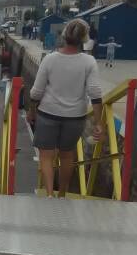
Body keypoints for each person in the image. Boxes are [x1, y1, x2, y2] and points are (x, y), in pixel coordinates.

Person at [28, 18, 103, 198]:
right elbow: (95, 93)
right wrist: (98, 123)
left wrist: (31, 112)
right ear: (84, 38)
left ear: (64, 35)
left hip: (48, 114)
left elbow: (36, 92)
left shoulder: (50, 59)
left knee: (46, 156)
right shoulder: (89, 62)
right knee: (67, 155)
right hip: (75, 118)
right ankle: (62, 194)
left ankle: (49, 194)